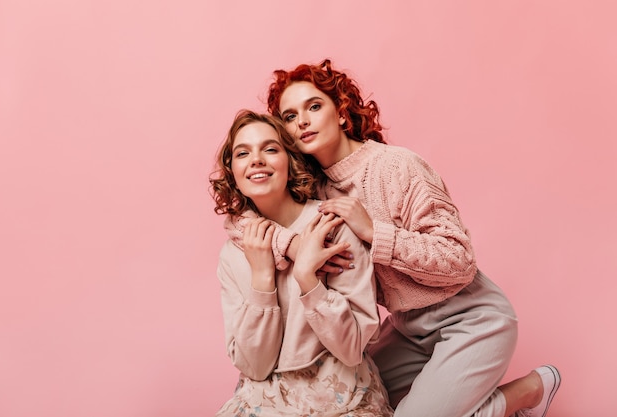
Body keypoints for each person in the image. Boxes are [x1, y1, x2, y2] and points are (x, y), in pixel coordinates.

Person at [224, 60, 561, 417]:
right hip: (405, 327)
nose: (302, 121)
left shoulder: (396, 166)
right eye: (289, 117)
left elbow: (460, 259)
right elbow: (243, 219)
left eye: (314, 106)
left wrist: (373, 231)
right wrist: (293, 246)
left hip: (471, 318)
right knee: (363, 397)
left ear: (340, 112)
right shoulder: (312, 184)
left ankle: (526, 393)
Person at [210, 109, 394, 417]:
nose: (256, 159)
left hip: (342, 399)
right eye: (243, 153)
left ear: (290, 162)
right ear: (232, 172)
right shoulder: (233, 253)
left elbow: (351, 349)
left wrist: (309, 278)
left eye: (270, 149)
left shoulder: (333, 225)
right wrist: (262, 279)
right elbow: (255, 366)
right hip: (265, 402)